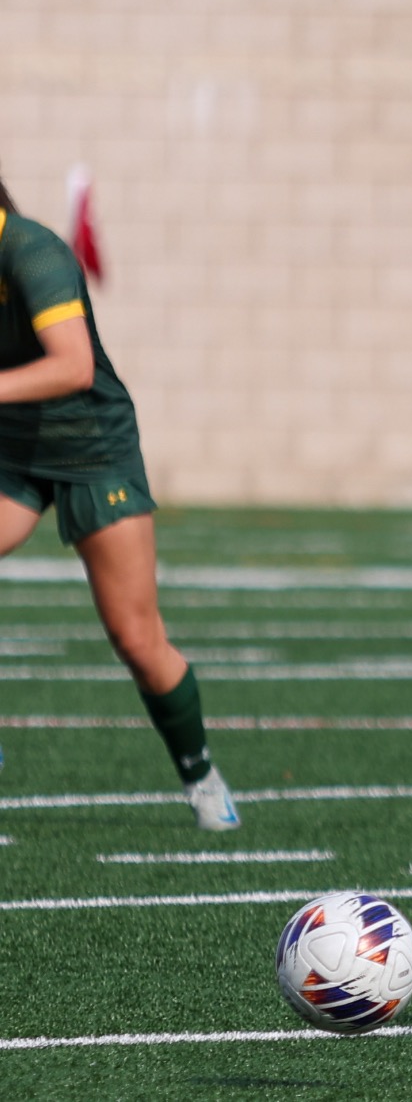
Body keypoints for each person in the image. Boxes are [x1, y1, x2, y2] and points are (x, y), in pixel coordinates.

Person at [0, 170, 239, 831]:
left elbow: (73, 366)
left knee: (136, 638)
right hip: (12, 448)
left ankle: (201, 777)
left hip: (92, 451)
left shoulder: (30, 251)